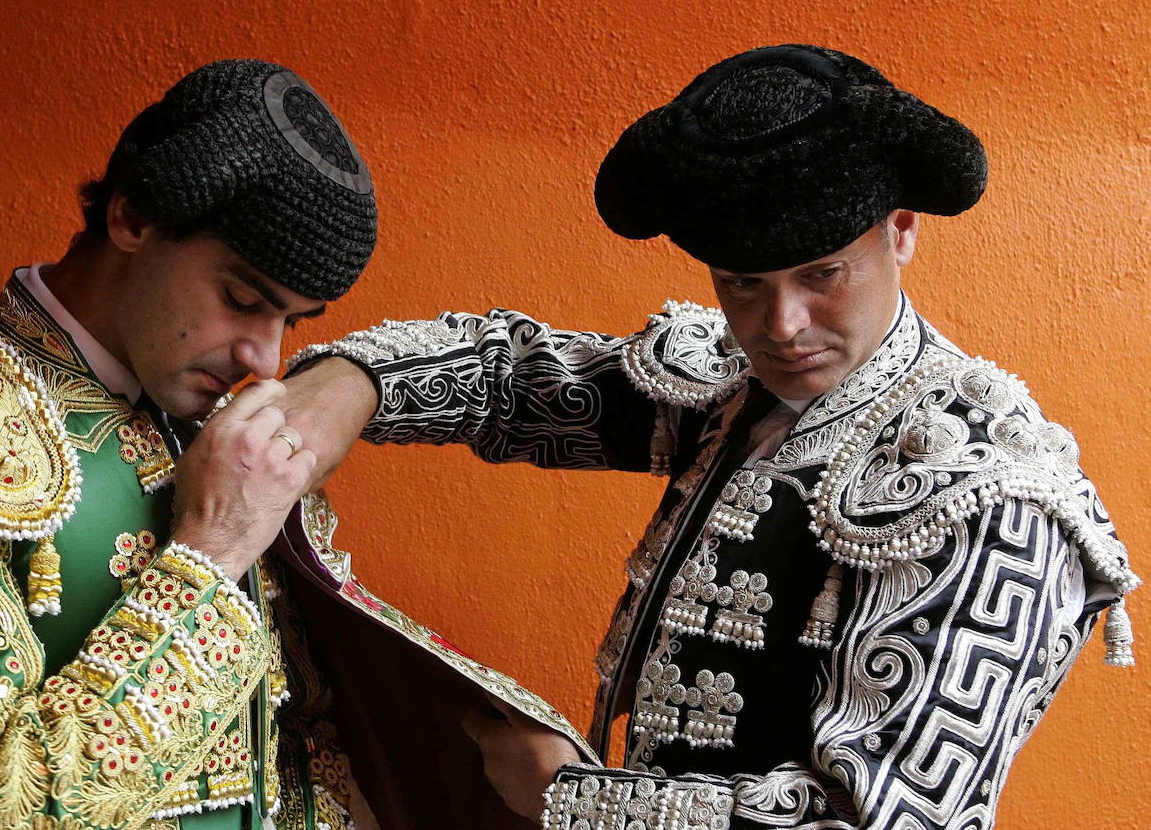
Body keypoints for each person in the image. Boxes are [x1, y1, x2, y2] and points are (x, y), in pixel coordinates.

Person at [281, 44, 1139, 829]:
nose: (783, 326)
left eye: (823, 274)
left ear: (902, 229)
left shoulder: (992, 492)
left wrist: (572, 801)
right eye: (742, 284)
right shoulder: (738, 391)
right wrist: (353, 380)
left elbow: (898, 822)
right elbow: (516, 380)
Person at [0, 58, 594, 830]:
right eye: (242, 297)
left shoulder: (209, 424)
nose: (264, 359)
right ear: (132, 216)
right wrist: (211, 554)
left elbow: (299, 751)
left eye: (291, 322)